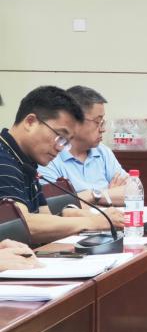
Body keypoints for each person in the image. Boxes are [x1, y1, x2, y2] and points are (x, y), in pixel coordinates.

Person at [0, 86, 123, 244]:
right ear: (30, 122)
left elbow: (43, 215)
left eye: (66, 142)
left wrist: (67, 215)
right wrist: (92, 222)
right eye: (59, 136)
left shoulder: (24, 161)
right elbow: (23, 225)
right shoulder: (4, 160)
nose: (60, 148)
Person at [39, 85, 128, 206]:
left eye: (103, 122)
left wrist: (96, 196)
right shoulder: (49, 156)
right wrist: (108, 195)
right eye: (98, 121)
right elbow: (55, 206)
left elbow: (134, 193)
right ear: (74, 121)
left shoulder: (103, 152)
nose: (103, 129)